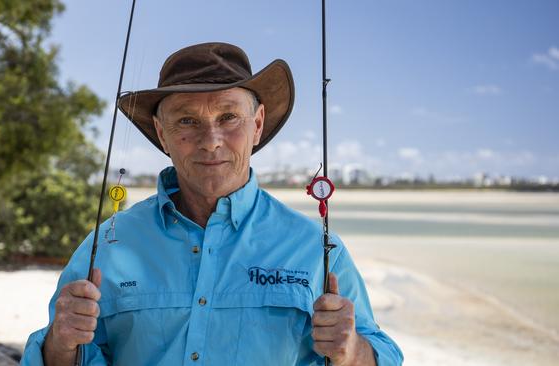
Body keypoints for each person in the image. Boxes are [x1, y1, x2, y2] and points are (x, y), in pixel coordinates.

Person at [21, 42, 403, 366]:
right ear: (161, 133)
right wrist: (60, 343)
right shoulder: (107, 244)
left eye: (228, 116)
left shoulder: (318, 249)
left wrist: (352, 350)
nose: (211, 140)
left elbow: (383, 354)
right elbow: (66, 354)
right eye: (187, 121)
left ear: (257, 124)